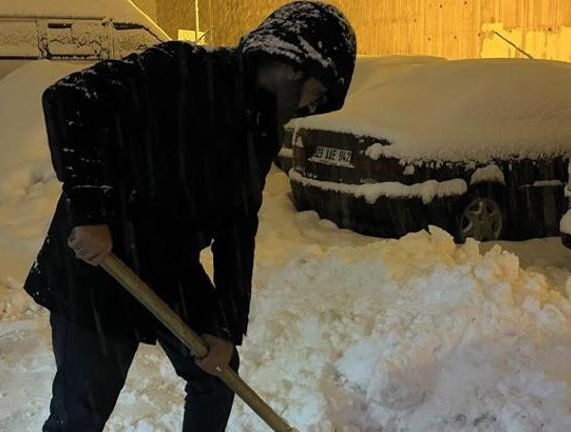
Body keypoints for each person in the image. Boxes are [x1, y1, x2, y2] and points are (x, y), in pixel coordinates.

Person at [22, 1, 356, 431]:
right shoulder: (180, 71)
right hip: (97, 261)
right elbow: (68, 100)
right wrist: (91, 213)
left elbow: (239, 228)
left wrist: (226, 326)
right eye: (319, 92)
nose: (312, 106)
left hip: (167, 262)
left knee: (218, 372)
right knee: (81, 411)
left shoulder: (259, 131)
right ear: (297, 65)